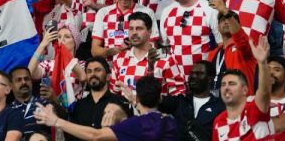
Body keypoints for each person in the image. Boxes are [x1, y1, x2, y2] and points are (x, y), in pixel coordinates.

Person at [35, 75, 177, 141]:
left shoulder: (137, 124)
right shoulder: (171, 121)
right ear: (159, 98)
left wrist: (56, 121)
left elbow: (95, 136)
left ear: (138, 97)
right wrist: (134, 103)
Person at [154, 0, 220, 95]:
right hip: (175, 83)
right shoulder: (166, 12)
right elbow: (165, 47)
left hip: (203, 83)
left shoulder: (210, 9)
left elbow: (221, 45)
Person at [212, 36, 273, 141]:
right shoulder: (218, 120)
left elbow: (265, 91)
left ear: (245, 90)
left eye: (232, 84)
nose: (226, 87)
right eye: (223, 84)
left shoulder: (254, 109)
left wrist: (262, 63)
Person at [91, 0, 157, 59]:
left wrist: (134, 48)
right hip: (109, 66)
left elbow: (153, 47)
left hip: (137, 66)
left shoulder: (147, 12)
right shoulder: (103, 13)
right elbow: (94, 50)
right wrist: (109, 52)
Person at [159, 60, 225, 141]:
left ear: (210, 78)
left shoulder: (220, 107)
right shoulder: (179, 102)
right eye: (191, 73)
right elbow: (153, 97)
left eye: (198, 74)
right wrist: (151, 70)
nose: (193, 76)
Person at [109, 12, 156, 93]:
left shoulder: (164, 59)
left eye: (139, 28)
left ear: (150, 31)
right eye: (131, 29)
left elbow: (177, 95)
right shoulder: (118, 58)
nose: (134, 32)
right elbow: (114, 93)